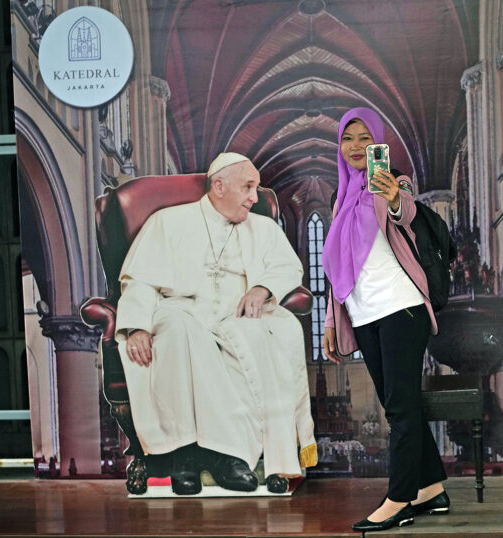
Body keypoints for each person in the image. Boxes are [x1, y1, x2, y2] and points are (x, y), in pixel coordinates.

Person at [115, 152, 316, 495]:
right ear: (219, 186)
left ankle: (230, 456)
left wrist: (261, 288)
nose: (255, 197)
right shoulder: (168, 222)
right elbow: (140, 280)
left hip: (236, 314)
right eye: (248, 187)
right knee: (179, 332)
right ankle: (185, 457)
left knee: (270, 336)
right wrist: (136, 326)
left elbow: (287, 268)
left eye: (256, 188)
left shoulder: (264, 228)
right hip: (181, 309)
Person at [322, 108, 449, 531]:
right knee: (399, 403)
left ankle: (399, 501)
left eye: (364, 138)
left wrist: (394, 197)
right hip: (364, 314)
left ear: (377, 142)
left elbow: (406, 214)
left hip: (401, 308)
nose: (355, 147)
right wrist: (330, 322)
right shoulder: (340, 198)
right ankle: (432, 488)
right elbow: (338, 270)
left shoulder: (391, 182)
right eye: (347, 139)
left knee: (400, 408)